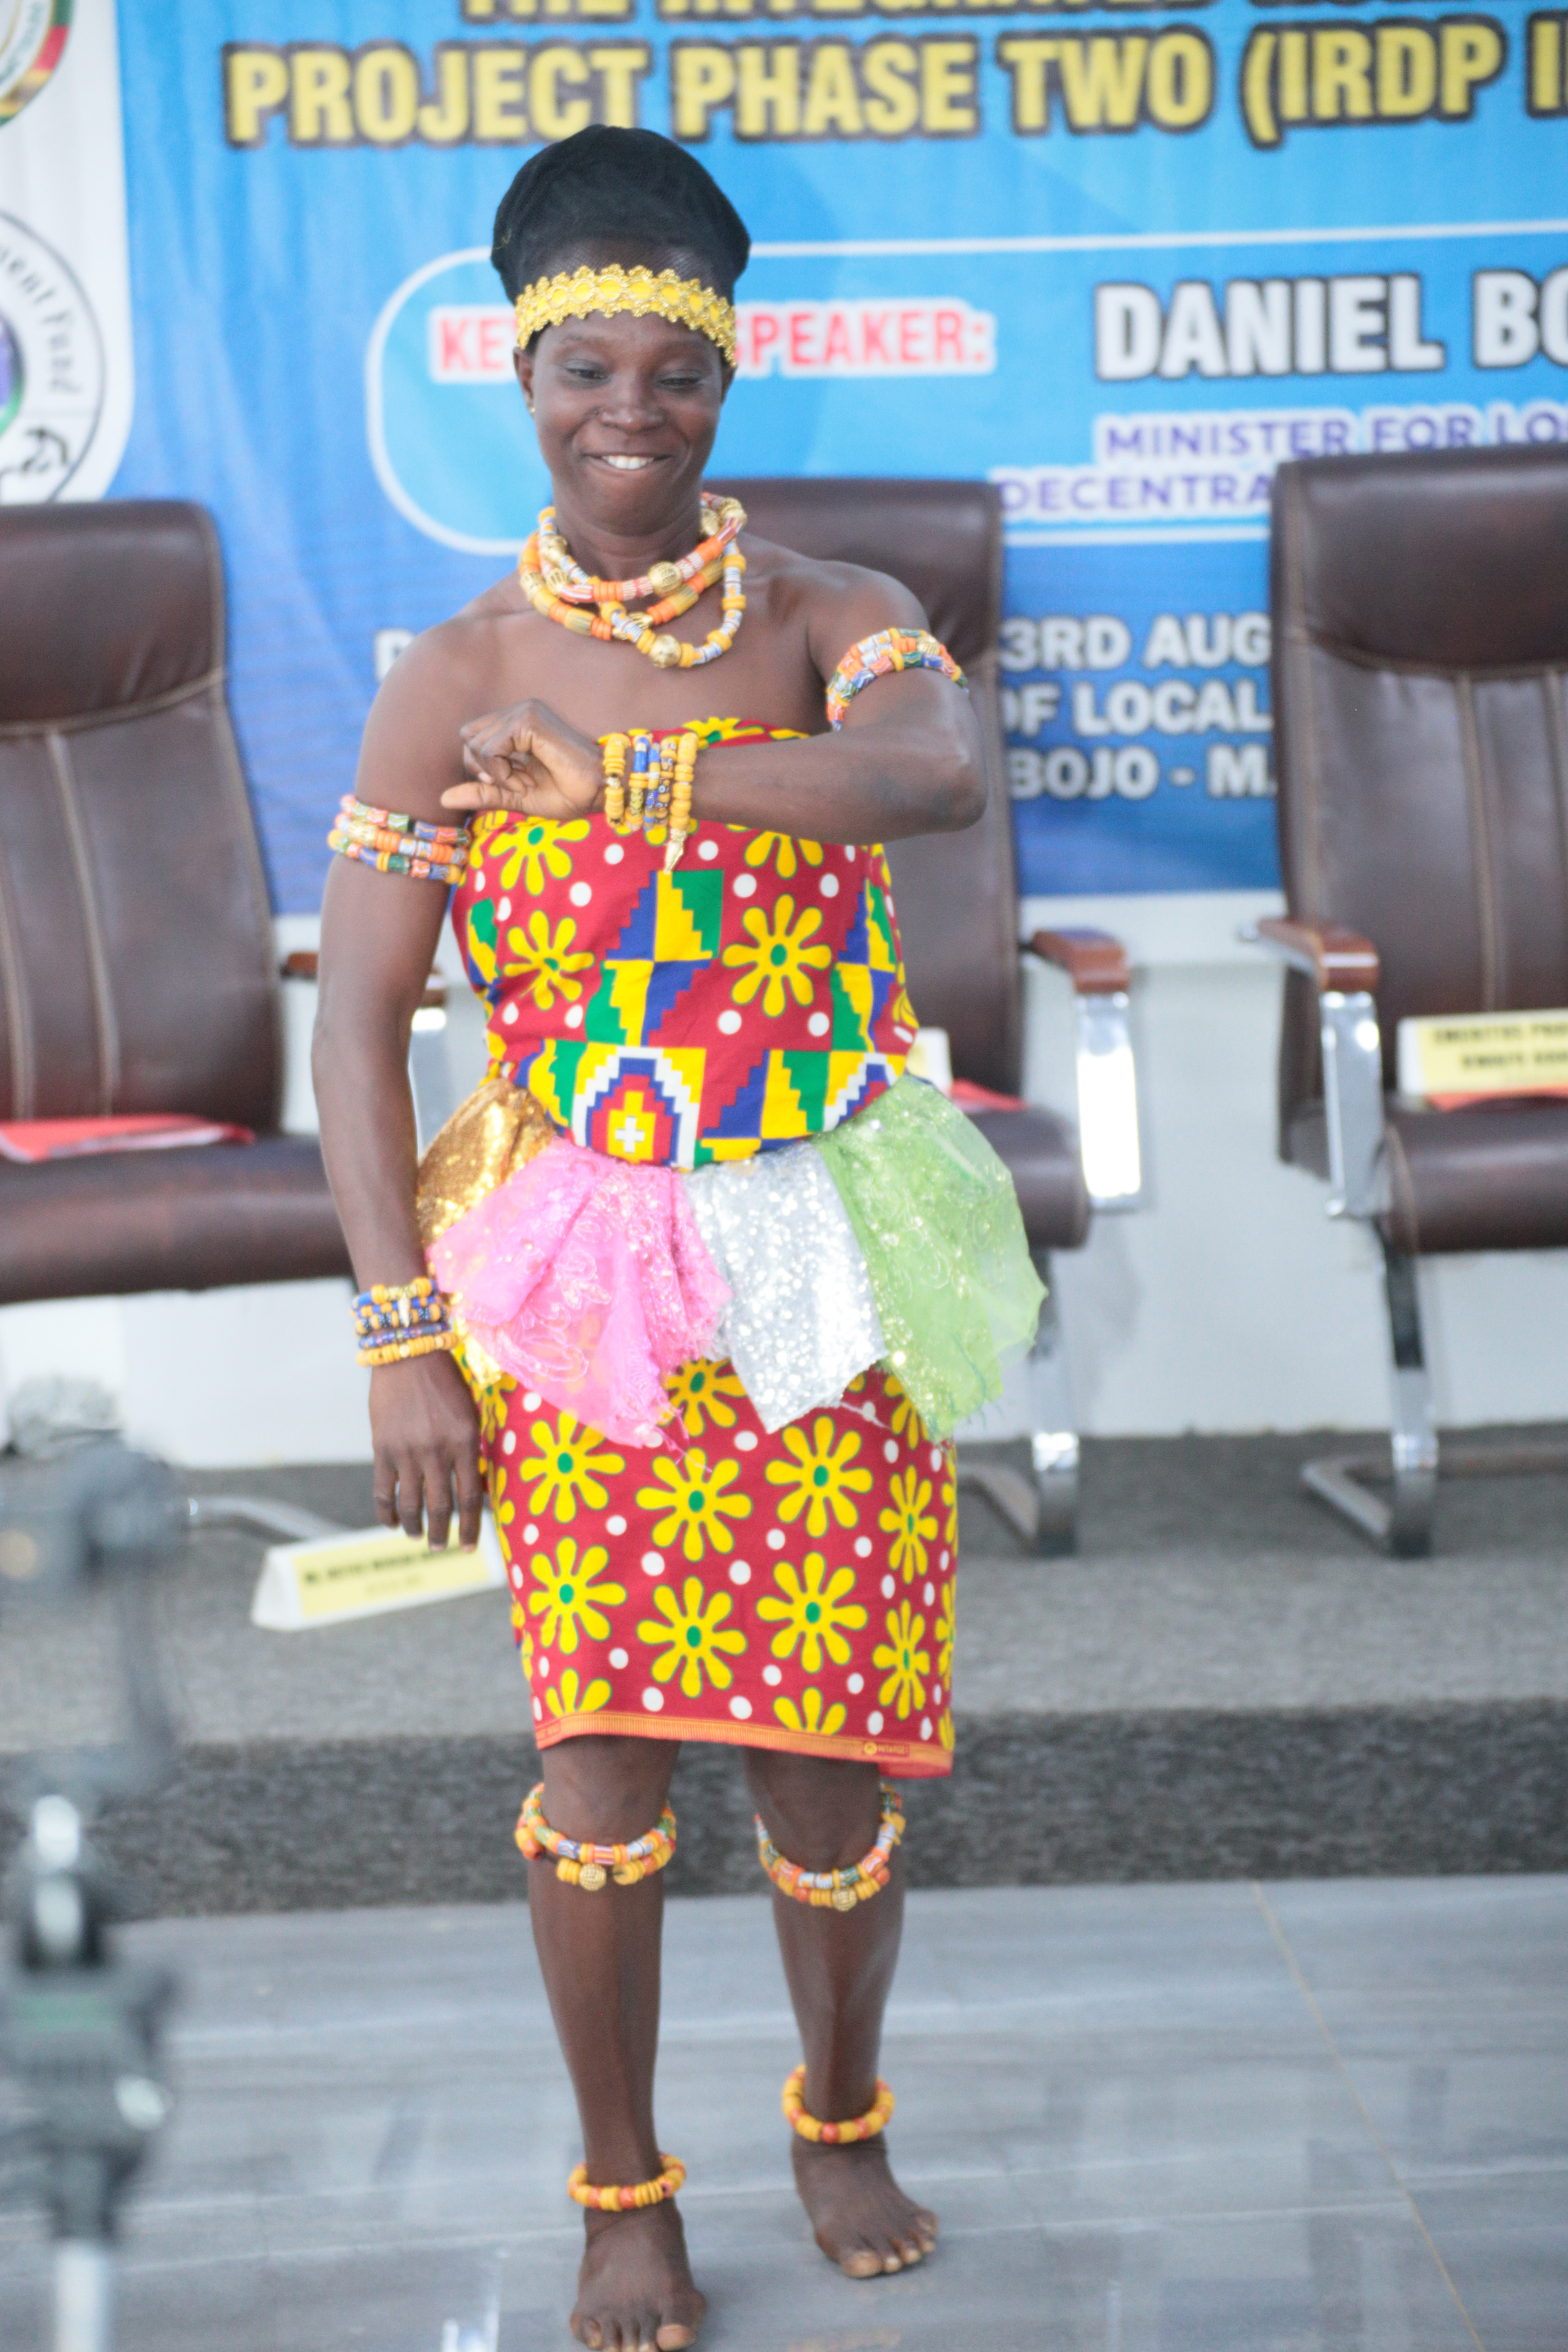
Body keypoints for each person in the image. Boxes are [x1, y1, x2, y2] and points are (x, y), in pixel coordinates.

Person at [314, 125, 1037, 2352]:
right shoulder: (450, 674)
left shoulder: (834, 614)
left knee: (823, 1762)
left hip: (819, 1263)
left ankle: (840, 2117)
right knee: (601, 1765)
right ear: (519, 378)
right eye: (585, 371)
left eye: (676, 374)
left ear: (728, 381)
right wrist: (399, 1333)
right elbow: (353, 1029)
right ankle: (622, 2187)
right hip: (581, 1289)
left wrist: (631, 781)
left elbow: (931, 781)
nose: (630, 414)